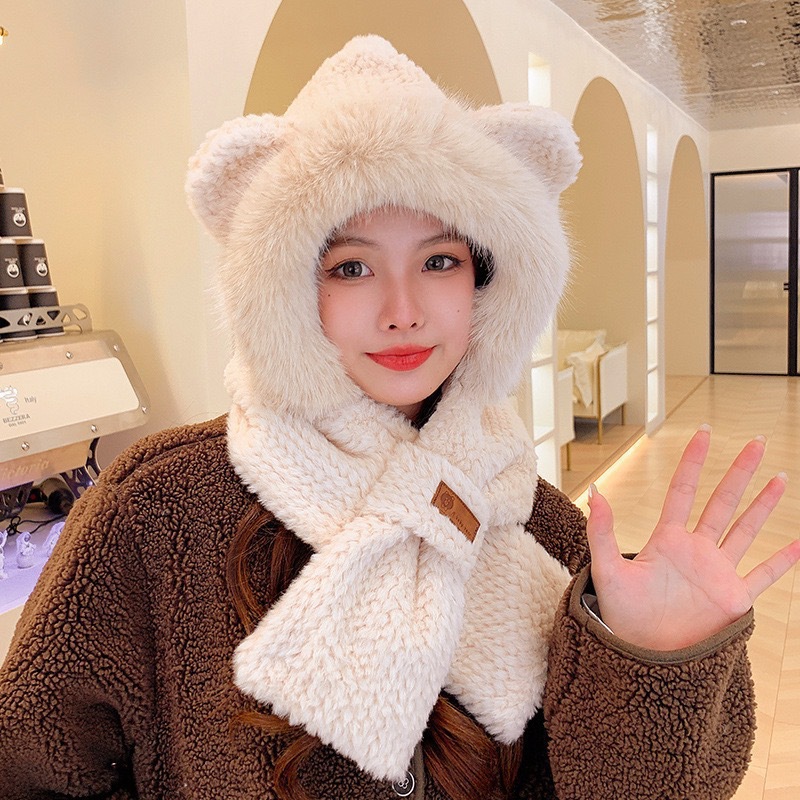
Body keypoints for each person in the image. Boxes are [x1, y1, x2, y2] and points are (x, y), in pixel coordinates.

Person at [0, 36, 797, 800]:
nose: (404, 310)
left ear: (487, 280)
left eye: (439, 260)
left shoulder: (531, 520)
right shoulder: (161, 511)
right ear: (284, 289)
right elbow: (28, 769)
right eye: (351, 267)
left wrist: (653, 660)